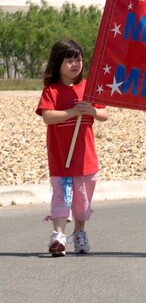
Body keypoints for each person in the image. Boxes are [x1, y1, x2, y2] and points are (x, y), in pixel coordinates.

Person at [36, 39, 110, 256]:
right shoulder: (52, 91)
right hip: (61, 159)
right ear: (57, 63)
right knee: (60, 195)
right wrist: (73, 112)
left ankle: (79, 233)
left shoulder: (89, 88)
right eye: (69, 60)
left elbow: (104, 114)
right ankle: (58, 235)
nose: (75, 64)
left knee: (81, 200)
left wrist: (91, 111)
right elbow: (48, 117)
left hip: (86, 159)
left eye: (78, 59)